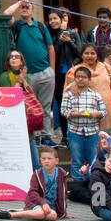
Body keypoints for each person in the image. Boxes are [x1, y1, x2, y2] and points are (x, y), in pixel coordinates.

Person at [3, 0, 56, 141]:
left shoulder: (40, 26)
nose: (24, 9)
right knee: (32, 107)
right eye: (23, 8)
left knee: (45, 106)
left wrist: (52, 70)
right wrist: (19, 3)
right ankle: (35, 136)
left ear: (32, 10)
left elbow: (50, 48)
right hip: (27, 75)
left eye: (27, 7)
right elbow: (5, 15)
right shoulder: (17, 26)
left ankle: (46, 135)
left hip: (45, 72)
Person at [0, 146, 68, 221]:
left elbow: (63, 194)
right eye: (43, 159)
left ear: (56, 161)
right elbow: (32, 193)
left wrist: (63, 213)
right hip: (36, 202)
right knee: (40, 214)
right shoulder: (37, 174)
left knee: (53, 216)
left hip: (50, 206)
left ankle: (23, 212)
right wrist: (43, 203)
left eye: (49, 159)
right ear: (40, 160)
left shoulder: (62, 174)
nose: (46, 161)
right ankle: (10, 214)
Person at [0, 49, 44, 169]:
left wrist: (23, 80)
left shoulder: (26, 77)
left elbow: (31, 94)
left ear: (21, 61)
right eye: (11, 57)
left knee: (35, 160)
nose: (13, 58)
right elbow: (8, 96)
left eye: (16, 57)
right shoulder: (4, 76)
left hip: (26, 118)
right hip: (12, 118)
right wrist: (19, 83)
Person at [61, 64, 106, 180]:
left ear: (89, 80)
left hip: (92, 132)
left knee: (93, 159)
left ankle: (92, 181)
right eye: (78, 77)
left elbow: (103, 112)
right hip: (75, 132)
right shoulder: (69, 95)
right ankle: (78, 184)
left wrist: (96, 114)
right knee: (77, 160)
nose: (80, 79)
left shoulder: (95, 96)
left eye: (84, 77)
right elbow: (64, 111)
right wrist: (76, 114)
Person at [71, 43, 111, 133]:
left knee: (109, 139)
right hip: (87, 113)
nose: (89, 56)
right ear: (82, 55)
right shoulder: (75, 71)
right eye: (86, 53)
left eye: (92, 53)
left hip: (108, 111)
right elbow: (70, 90)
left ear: (97, 55)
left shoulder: (107, 68)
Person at [47, 9, 82, 142]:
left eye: (55, 18)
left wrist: (69, 41)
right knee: (62, 104)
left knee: (74, 104)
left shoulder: (73, 34)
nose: (53, 21)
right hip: (57, 74)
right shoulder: (50, 35)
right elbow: (53, 52)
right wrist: (61, 41)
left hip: (71, 74)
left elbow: (79, 52)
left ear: (62, 19)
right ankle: (65, 136)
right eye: (50, 19)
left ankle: (74, 134)